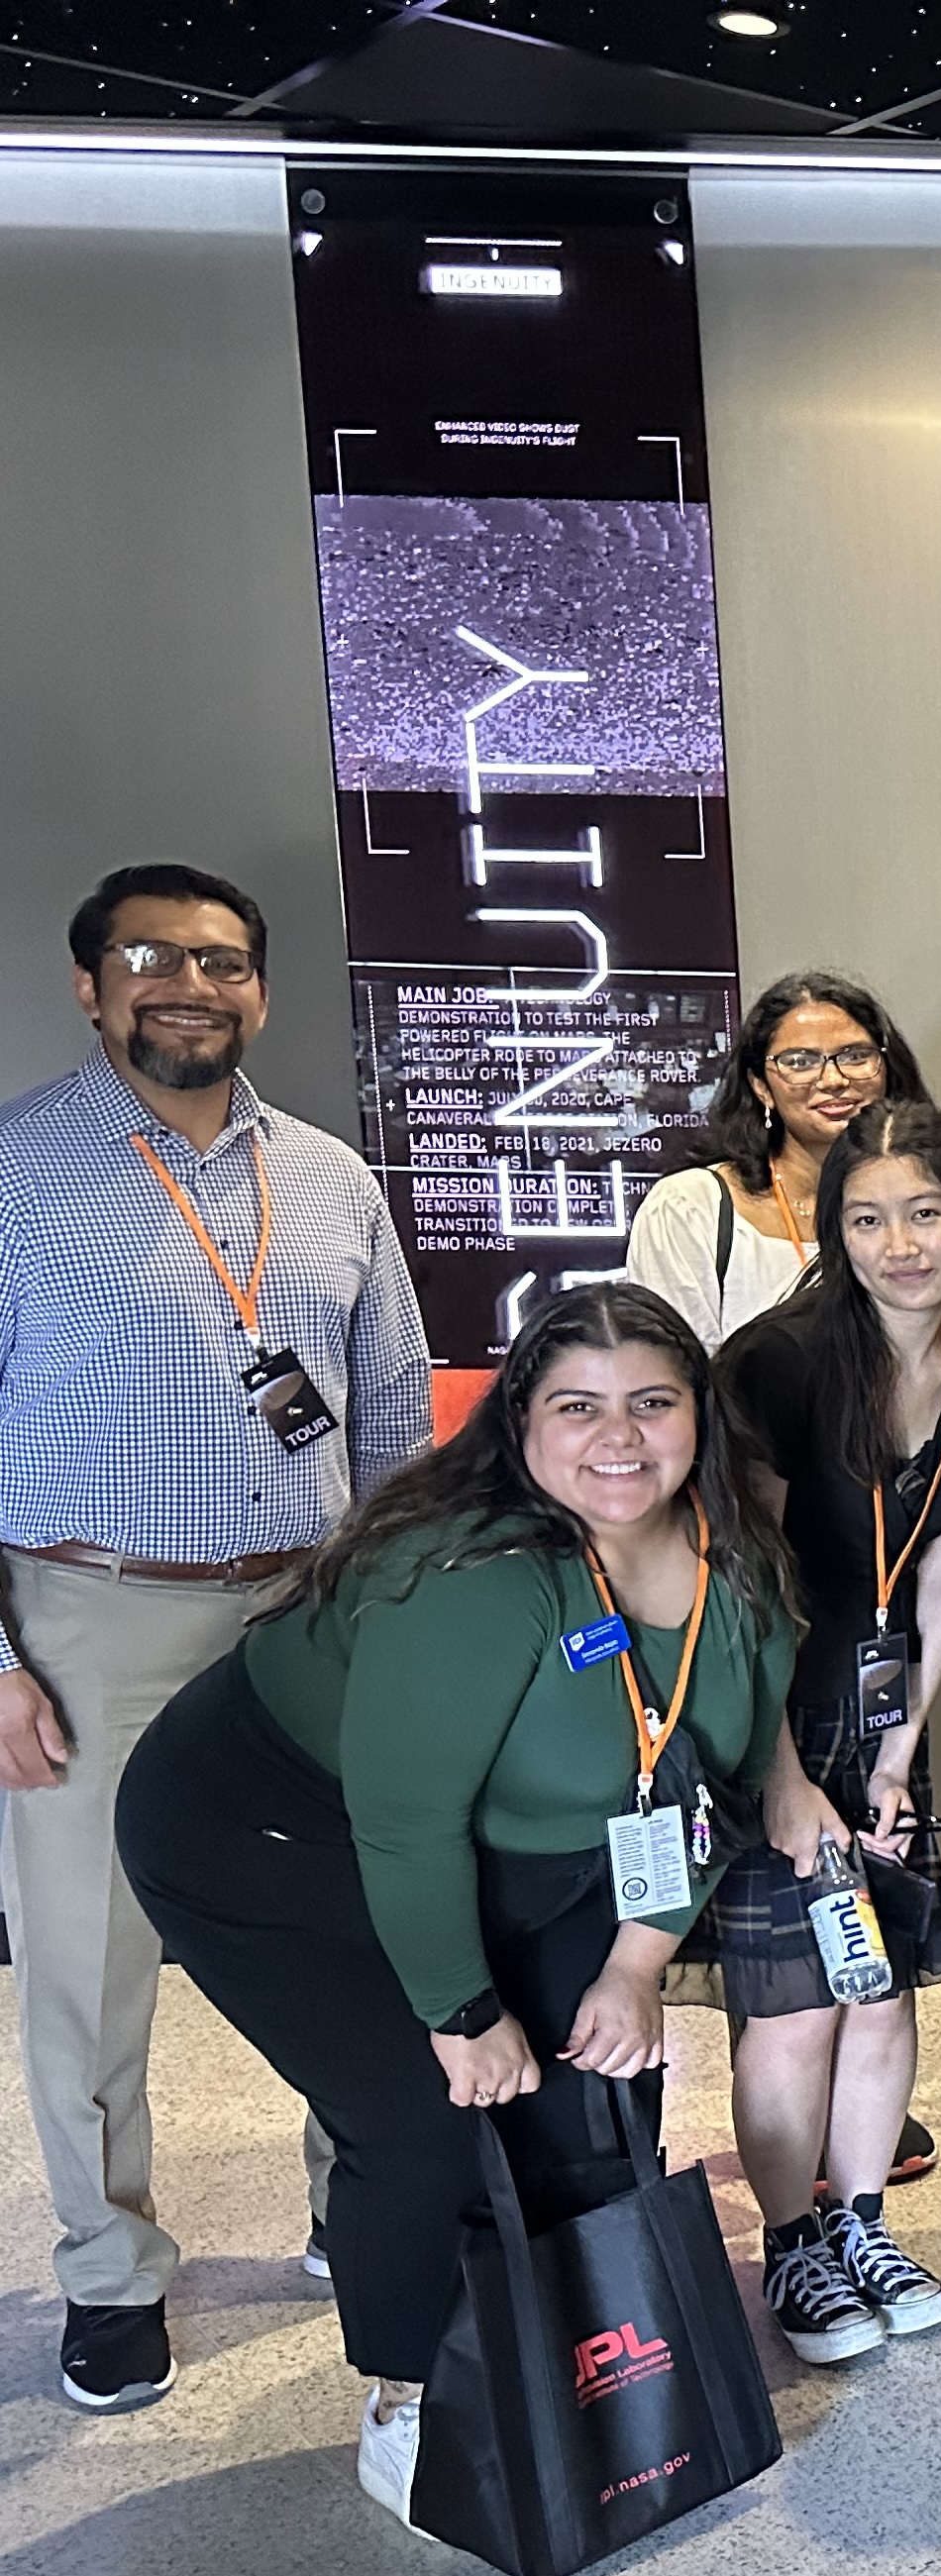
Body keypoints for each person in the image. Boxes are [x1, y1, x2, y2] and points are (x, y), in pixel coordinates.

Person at [115, 1287, 789, 2523]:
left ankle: (584, 2337)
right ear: (519, 1421)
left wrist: (634, 1968)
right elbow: (406, 1826)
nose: (619, 1437)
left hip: (517, 1842)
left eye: (652, 1402)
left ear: (699, 1414)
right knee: (427, 2114)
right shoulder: (477, 1572)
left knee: (598, 2084)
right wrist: (462, 2009)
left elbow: (703, 1788)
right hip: (274, 1837)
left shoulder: (732, 1554)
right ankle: (413, 2390)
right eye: (577, 1408)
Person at [6, 863, 430, 2414]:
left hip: (307, 1610)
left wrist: (399, 1612)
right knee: (86, 1961)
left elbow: (394, 1417)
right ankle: (110, 2271)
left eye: (224, 961)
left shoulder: (330, 1179)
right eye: (152, 956)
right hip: (87, 1610)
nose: (191, 984)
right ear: (90, 984)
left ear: (259, 990)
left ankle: (356, 2192)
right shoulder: (15, 1168)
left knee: (359, 1919)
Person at [705, 1102, 941, 2363]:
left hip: (879, 1708)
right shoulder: (780, 1362)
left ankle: (859, 2224)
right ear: (835, 1234)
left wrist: (897, 1756)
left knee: (880, 1993)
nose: (901, 1245)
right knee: (795, 2010)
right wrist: (787, 1778)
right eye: (867, 1219)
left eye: (926, 1213)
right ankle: (792, 2245)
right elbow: (741, 1585)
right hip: (762, 1707)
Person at [624, 968, 920, 1345]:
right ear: (761, 1087)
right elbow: (677, 1369)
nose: (833, 1080)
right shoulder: (689, 1208)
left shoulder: (936, 1200)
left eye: (855, 1056)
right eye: (799, 1062)